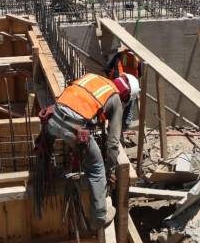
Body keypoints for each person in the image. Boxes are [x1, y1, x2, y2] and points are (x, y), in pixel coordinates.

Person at [43, 72, 140, 231]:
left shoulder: (95, 79)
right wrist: (109, 168)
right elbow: (113, 142)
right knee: (96, 169)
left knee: (70, 148)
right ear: (126, 95)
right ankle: (99, 218)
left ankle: (50, 173)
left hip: (52, 119)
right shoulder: (115, 98)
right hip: (72, 130)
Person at [104, 49, 142, 130]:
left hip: (119, 84)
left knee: (116, 107)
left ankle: (114, 125)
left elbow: (107, 69)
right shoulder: (136, 59)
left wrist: (111, 79)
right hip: (132, 85)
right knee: (129, 106)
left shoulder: (119, 55)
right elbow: (140, 73)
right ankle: (125, 126)